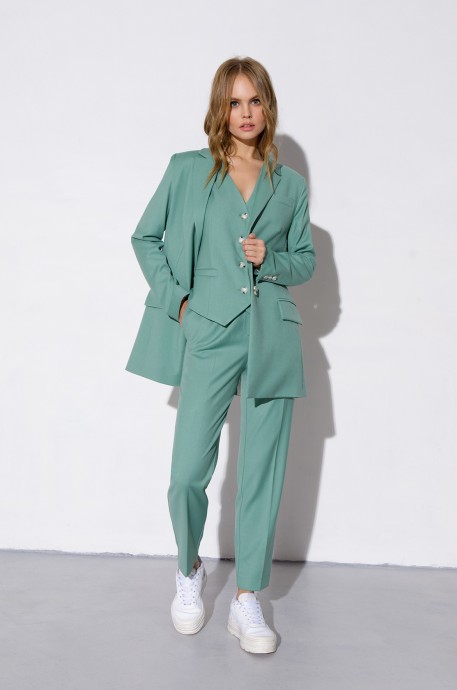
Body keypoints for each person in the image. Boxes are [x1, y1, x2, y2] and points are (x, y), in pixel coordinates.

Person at [126, 56, 316, 654]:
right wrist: (179, 303)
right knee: (188, 472)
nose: (245, 113)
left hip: (271, 334)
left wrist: (273, 260)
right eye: (234, 102)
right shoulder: (188, 170)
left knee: (261, 473)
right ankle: (189, 570)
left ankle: (247, 599)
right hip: (206, 331)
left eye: (255, 101)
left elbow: (305, 260)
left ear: (268, 106)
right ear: (220, 108)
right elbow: (145, 237)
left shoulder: (290, 185)